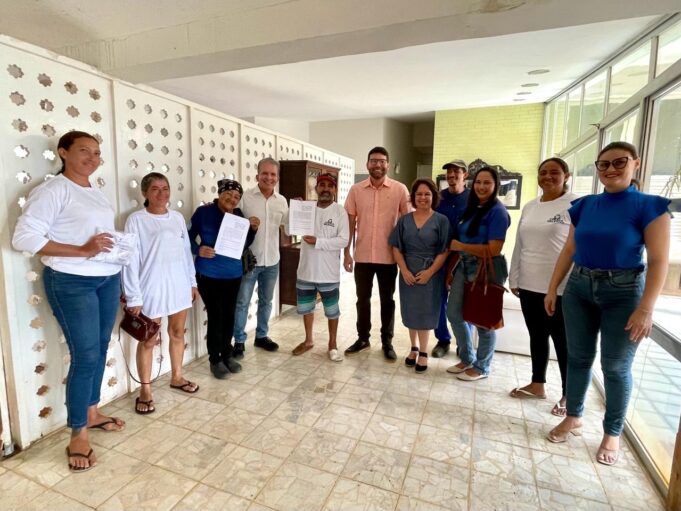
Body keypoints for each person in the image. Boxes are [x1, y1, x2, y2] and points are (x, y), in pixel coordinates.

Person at [544, 141, 670, 466]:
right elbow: (569, 250)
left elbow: (659, 261)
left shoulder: (651, 206)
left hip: (624, 292)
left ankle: (612, 432)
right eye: (604, 164)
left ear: (635, 163)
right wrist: (552, 288)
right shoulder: (584, 205)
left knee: (615, 366)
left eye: (619, 162)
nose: (611, 169)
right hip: (579, 287)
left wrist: (646, 308)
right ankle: (574, 416)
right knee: (577, 358)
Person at [13, 131, 125, 472]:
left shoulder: (95, 192)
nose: (93, 158)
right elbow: (23, 237)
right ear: (63, 152)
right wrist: (82, 250)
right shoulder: (54, 190)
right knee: (86, 355)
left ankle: (91, 412)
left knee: (101, 347)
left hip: (106, 278)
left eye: (97, 152)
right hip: (72, 281)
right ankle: (78, 432)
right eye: (84, 151)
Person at [122, 172, 200, 414]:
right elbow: (130, 260)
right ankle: (145, 390)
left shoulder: (177, 218)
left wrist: (192, 282)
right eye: (155, 189)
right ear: (144, 193)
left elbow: (186, 252)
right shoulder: (136, 220)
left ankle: (177, 376)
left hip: (179, 286)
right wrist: (133, 296)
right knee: (148, 339)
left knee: (177, 333)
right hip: (151, 288)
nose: (161, 193)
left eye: (165, 188)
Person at [508, 158, 577, 415]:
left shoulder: (576, 204)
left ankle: (569, 394)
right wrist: (514, 277)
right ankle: (537, 384)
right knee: (537, 336)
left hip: (560, 287)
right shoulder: (530, 206)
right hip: (529, 283)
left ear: (566, 175)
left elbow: (577, 247)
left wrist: (564, 285)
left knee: (563, 342)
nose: (548, 177)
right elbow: (519, 244)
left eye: (554, 172)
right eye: (543, 172)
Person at [343, 146, 411, 360]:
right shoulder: (356, 190)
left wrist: (405, 256)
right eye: (373, 161)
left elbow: (407, 223)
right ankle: (363, 338)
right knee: (362, 299)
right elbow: (350, 223)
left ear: (387, 165)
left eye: (381, 161)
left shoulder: (400, 190)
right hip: (362, 256)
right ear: (367, 164)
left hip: (388, 257)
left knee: (387, 300)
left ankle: (387, 342)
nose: (377, 165)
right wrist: (347, 253)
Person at [446, 166, 511, 381]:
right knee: (453, 313)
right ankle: (467, 357)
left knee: (484, 321)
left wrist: (461, 246)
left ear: (496, 185)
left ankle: (482, 366)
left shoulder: (498, 212)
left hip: (486, 269)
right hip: (464, 266)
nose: (482, 186)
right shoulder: (472, 207)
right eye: (479, 182)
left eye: (487, 183)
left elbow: (494, 249)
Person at [188, 178, 257, 379]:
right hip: (209, 274)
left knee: (229, 315)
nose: (232, 199)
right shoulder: (203, 212)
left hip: (233, 274)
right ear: (220, 193)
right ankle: (215, 359)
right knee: (216, 315)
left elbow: (245, 243)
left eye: (236, 196)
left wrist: (253, 230)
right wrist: (198, 249)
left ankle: (227, 354)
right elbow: (187, 236)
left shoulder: (238, 215)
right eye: (228, 194)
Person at [389, 179, 450, 373]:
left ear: (433, 196)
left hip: (431, 273)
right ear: (413, 197)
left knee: (426, 311)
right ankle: (413, 348)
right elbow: (396, 247)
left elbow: (444, 251)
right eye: (419, 194)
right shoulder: (404, 220)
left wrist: (430, 272)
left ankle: (423, 351)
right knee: (411, 310)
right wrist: (404, 270)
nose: (423, 198)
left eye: (427, 194)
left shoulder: (441, 220)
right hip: (408, 272)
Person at [233, 157, 289, 357]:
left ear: (277, 177)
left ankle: (261, 336)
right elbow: (232, 221)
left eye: (273, 174)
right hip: (249, 261)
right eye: (265, 173)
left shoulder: (282, 201)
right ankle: (239, 341)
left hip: (272, 260)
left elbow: (288, 228)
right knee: (242, 302)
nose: (269, 177)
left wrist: (300, 212)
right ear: (257, 175)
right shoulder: (245, 198)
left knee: (266, 301)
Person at [291, 173, 349, 361]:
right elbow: (290, 228)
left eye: (330, 186)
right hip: (306, 270)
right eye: (322, 185)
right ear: (316, 188)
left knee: (332, 311)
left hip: (328, 273)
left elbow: (343, 240)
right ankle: (308, 340)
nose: (325, 189)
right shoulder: (306, 209)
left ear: (335, 190)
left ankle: (332, 344)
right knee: (307, 309)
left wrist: (318, 242)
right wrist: (296, 210)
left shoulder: (339, 211)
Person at [432, 159, 470, 358]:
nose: (452, 175)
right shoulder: (439, 198)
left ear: (465, 175)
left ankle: (465, 343)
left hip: (465, 257)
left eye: (457, 171)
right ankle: (442, 339)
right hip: (441, 254)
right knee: (438, 300)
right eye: (449, 172)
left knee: (465, 301)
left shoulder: (474, 198)